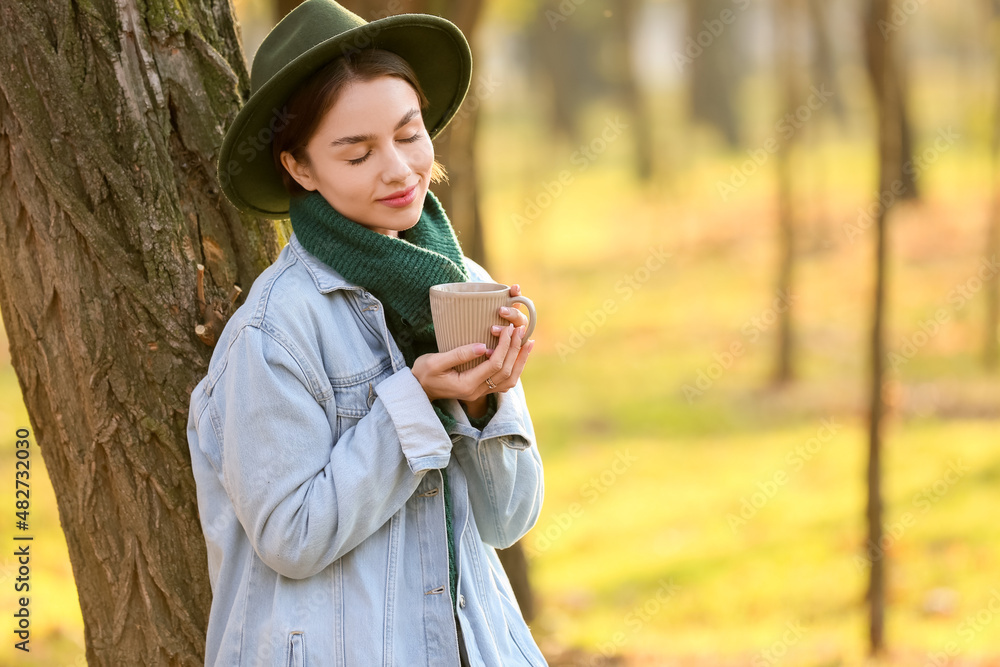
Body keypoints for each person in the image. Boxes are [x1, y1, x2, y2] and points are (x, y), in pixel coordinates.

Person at [185, 1, 546, 665]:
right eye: (358, 153)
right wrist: (413, 400)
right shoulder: (275, 329)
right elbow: (290, 536)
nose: (400, 170)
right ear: (299, 167)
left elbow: (508, 518)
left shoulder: (462, 280)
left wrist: (483, 400)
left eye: (409, 135)